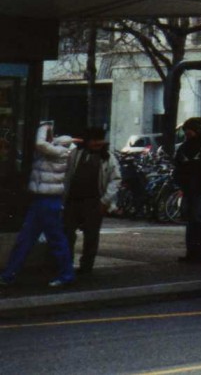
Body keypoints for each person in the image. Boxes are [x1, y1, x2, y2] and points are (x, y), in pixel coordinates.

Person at [1, 122, 78, 288]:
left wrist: (44, 126)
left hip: (47, 200)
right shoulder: (59, 152)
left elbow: (40, 144)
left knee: (51, 239)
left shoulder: (61, 151)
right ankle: (9, 273)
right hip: (44, 200)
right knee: (29, 239)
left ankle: (66, 274)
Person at [63, 127, 121, 276]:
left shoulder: (108, 157)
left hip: (94, 202)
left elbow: (115, 180)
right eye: (94, 140)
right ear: (87, 140)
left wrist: (105, 201)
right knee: (68, 233)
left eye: (100, 139)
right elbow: (67, 174)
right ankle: (66, 264)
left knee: (91, 236)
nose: (98, 143)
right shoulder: (75, 154)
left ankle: (86, 267)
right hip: (73, 200)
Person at [173, 117, 201, 264]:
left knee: (195, 218)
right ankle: (198, 249)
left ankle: (197, 250)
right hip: (192, 188)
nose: (187, 134)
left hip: (198, 188)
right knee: (193, 219)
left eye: (188, 131)